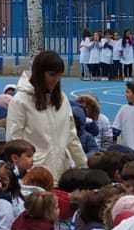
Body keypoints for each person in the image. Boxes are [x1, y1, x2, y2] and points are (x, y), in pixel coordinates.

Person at [6, 50, 86, 179]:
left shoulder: (61, 99)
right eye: (52, 74)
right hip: (34, 174)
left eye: (59, 75)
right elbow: (13, 141)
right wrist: (23, 171)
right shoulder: (20, 101)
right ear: (39, 73)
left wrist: (83, 165)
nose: (56, 80)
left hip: (62, 170)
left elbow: (71, 136)